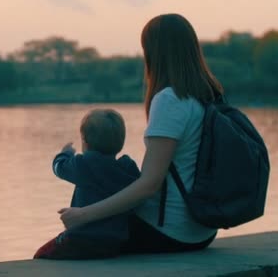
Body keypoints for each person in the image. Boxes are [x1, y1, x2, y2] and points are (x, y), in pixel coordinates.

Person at [58, 13, 222, 253]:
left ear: (153, 52)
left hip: (169, 231)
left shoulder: (170, 100)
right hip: (202, 229)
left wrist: (83, 215)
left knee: (90, 169)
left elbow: (149, 185)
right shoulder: (208, 96)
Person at [34, 109, 141, 259]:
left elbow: (59, 168)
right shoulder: (127, 167)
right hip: (115, 241)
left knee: (41, 254)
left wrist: (65, 153)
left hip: (82, 239)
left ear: (85, 141)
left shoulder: (84, 164)